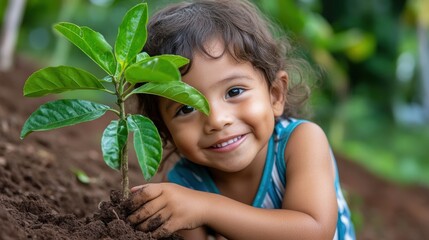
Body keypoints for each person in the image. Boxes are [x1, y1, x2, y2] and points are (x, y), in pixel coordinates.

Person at [127, 0, 356, 239]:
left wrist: (206, 208)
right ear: (165, 131)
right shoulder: (186, 184)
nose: (216, 120)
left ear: (275, 94)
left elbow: (315, 231)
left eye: (234, 92)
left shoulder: (301, 142)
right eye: (186, 108)